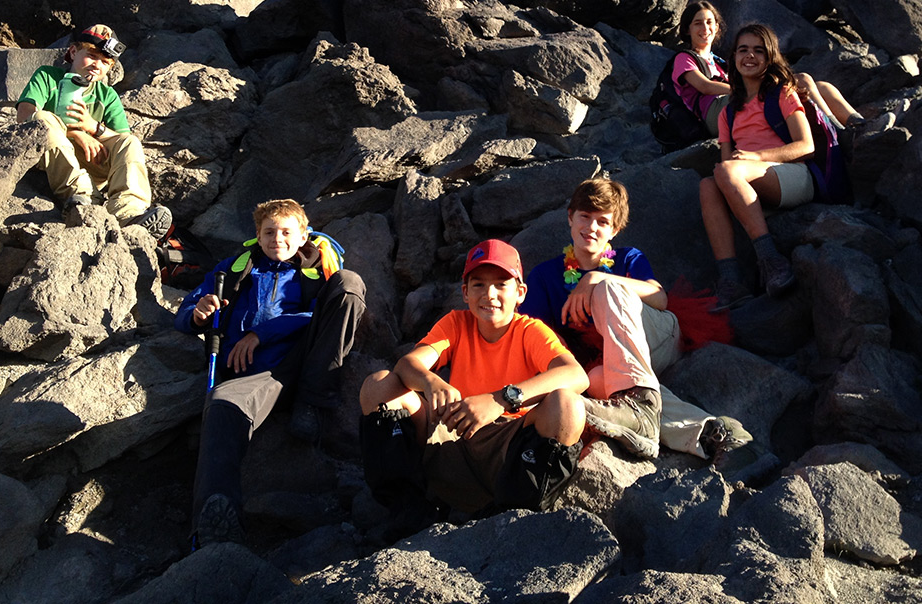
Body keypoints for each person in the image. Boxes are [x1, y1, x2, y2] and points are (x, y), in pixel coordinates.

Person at [520, 178, 764, 475]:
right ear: (570, 217)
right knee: (596, 379)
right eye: (585, 216)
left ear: (615, 230)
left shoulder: (627, 258)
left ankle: (639, 400)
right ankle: (713, 434)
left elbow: (659, 298)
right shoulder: (546, 275)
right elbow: (532, 334)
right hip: (609, 363)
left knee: (607, 292)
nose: (592, 227)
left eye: (602, 221)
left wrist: (597, 279)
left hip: (655, 338)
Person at [174, 198, 366, 547]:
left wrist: (262, 333)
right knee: (221, 404)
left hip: (302, 362)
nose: (278, 238)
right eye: (269, 232)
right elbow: (186, 313)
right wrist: (198, 313)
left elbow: (322, 318)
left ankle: (312, 403)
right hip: (251, 377)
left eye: (286, 231)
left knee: (350, 283)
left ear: (303, 235)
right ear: (258, 237)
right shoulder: (235, 269)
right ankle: (215, 527)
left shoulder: (317, 274)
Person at [359, 239, 586, 532]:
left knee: (568, 406)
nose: (489, 294)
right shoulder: (456, 323)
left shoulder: (530, 331)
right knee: (378, 386)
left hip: (508, 451)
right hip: (455, 437)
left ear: (520, 293)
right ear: (465, 293)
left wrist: (501, 399)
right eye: (478, 285)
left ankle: (514, 518)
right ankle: (409, 510)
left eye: (501, 284)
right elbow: (407, 365)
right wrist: (430, 382)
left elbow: (576, 375)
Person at [16, 24, 171, 238]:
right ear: (73, 52)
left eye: (105, 62)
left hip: (93, 164)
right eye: (91, 56)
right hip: (51, 156)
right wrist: (76, 133)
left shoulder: (106, 96)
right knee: (42, 118)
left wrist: (93, 127)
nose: (97, 65)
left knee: (130, 143)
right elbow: (25, 116)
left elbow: (121, 138)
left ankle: (128, 213)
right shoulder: (48, 77)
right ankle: (83, 198)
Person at [700, 23, 815, 309]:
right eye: (743, 50)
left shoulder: (782, 93)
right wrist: (743, 164)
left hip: (792, 176)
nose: (749, 56)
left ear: (769, 57)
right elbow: (727, 164)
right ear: (733, 57)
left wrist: (757, 157)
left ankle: (771, 259)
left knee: (726, 170)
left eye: (758, 50)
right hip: (748, 179)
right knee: (707, 184)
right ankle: (731, 280)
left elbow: (806, 146)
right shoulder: (728, 112)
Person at [671, 0, 732, 137]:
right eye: (698, 23)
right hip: (709, 114)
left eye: (709, 22)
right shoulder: (683, 59)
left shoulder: (719, 63)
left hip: (727, 104)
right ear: (687, 29)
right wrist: (745, 91)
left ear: (716, 27)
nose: (705, 28)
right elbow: (705, 86)